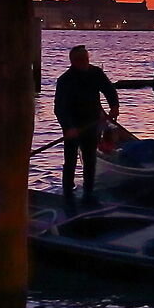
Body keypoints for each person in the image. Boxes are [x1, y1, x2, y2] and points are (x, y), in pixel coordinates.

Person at [52, 45, 121, 199]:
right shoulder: (65, 80)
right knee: (70, 160)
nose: (85, 63)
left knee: (90, 159)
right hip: (72, 124)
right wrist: (68, 127)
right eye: (81, 60)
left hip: (92, 122)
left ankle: (88, 192)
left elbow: (109, 90)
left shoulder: (95, 73)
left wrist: (114, 106)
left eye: (86, 59)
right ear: (73, 62)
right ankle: (67, 191)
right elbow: (59, 108)